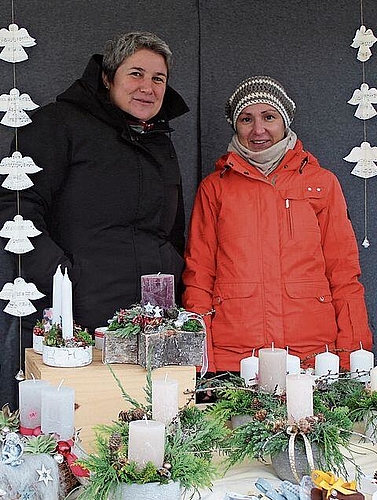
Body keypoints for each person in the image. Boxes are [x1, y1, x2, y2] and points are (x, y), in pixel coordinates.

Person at [0, 31, 189, 333]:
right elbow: (19, 206)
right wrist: (62, 279)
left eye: (158, 78)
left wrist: (173, 268)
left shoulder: (160, 142)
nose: (147, 88)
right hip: (79, 316)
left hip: (155, 319)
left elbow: (173, 229)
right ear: (107, 78)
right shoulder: (59, 124)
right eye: (136, 74)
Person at [183, 75, 372, 373]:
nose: (258, 130)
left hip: (312, 355)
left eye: (269, 117)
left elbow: (344, 273)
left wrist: (352, 356)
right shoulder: (215, 188)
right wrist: (200, 358)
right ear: (235, 125)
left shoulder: (321, 183)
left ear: (284, 121)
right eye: (246, 119)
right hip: (234, 356)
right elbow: (199, 275)